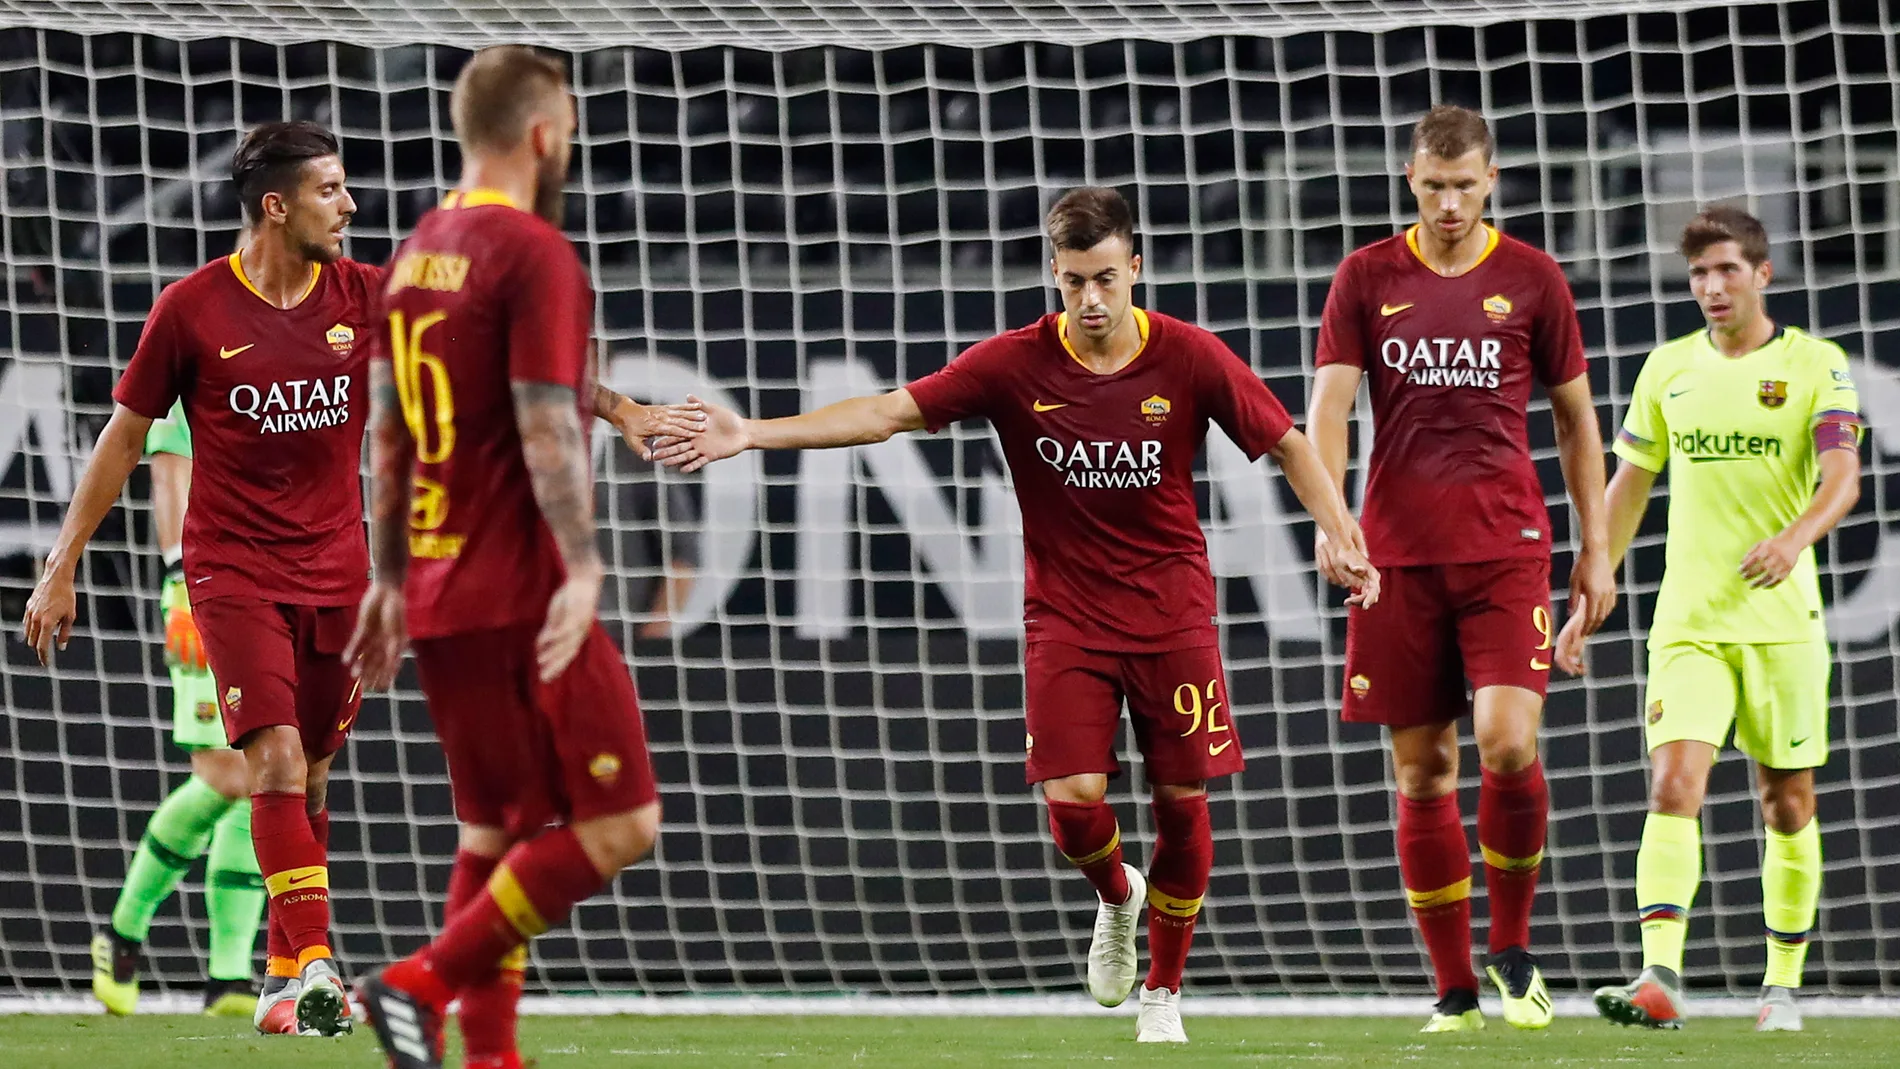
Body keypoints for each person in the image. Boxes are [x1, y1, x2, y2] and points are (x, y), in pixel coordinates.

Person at [653, 185, 1377, 1044]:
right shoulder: (1013, 364)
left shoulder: (1188, 356)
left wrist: (1343, 533)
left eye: (1107, 278)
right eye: (1073, 281)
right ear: (1055, 275)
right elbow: (886, 413)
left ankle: (1163, 992)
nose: (1092, 299)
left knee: (1182, 803)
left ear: (1135, 268)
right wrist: (751, 433)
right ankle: (1117, 898)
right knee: (1074, 806)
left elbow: (1291, 442)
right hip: (1066, 616)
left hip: (1173, 613)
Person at [343, 46, 703, 1069]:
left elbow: (386, 432)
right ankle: (414, 983)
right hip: (520, 586)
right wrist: (585, 567)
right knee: (623, 821)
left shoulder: (417, 249)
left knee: (497, 831)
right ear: (544, 132)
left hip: (437, 590)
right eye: (573, 129)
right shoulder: (534, 250)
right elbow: (545, 425)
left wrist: (385, 576)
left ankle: (489, 1058)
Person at [24, 120, 380, 1037]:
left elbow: (490, 355)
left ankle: (270, 978)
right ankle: (315, 964)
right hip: (222, 574)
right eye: (332, 190)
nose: (351, 205)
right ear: (278, 205)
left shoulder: (363, 298)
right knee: (262, 762)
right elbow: (131, 443)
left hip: (338, 571)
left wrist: (616, 407)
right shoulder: (191, 311)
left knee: (309, 777)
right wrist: (64, 567)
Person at [1304, 104, 1614, 1032]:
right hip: (1394, 558)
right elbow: (1329, 409)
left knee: (1506, 740)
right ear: (1411, 180)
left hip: (1505, 548)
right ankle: (1454, 993)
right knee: (1423, 771)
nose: (1448, 202)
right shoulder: (1365, 277)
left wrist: (1595, 548)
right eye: (1432, 186)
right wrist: (1332, 521)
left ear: (1491, 179)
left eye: (1464, 185)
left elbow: (1574, 420)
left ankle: (1512, 946)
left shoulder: (1531, 278)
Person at [1561, 206, 1862, 1033]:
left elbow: (1844, 475)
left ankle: (1783, 987)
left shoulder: (1816, 365)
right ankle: (1659, 974)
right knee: (1671, 784)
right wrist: (1592, 585)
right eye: (1698, 273)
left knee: (1787, 804)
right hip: (1688, 620)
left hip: (1782, 623)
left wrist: (1795, 537)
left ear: (1762, 274)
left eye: (1727, 269)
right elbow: (1629, 485)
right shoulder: (1667, 369)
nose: (1711, 286)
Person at [90, 401, 265, 1019]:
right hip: (205, 589)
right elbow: (168, 470)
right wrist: (181, 581)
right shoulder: (193, 337)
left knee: (260, 771)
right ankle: (123, 931)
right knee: (225, 772)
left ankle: (228, 977)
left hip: (270, 589)